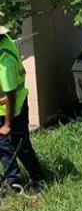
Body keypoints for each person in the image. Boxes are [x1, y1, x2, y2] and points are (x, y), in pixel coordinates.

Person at [0, 24, 46, 195]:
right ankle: (14, 183)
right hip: (5, 108)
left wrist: (7, 124)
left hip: (13, 110)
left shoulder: (4, 60)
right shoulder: (5, 41)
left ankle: (39, 180)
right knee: (3, 146)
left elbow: (10, 94)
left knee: (21, 146)